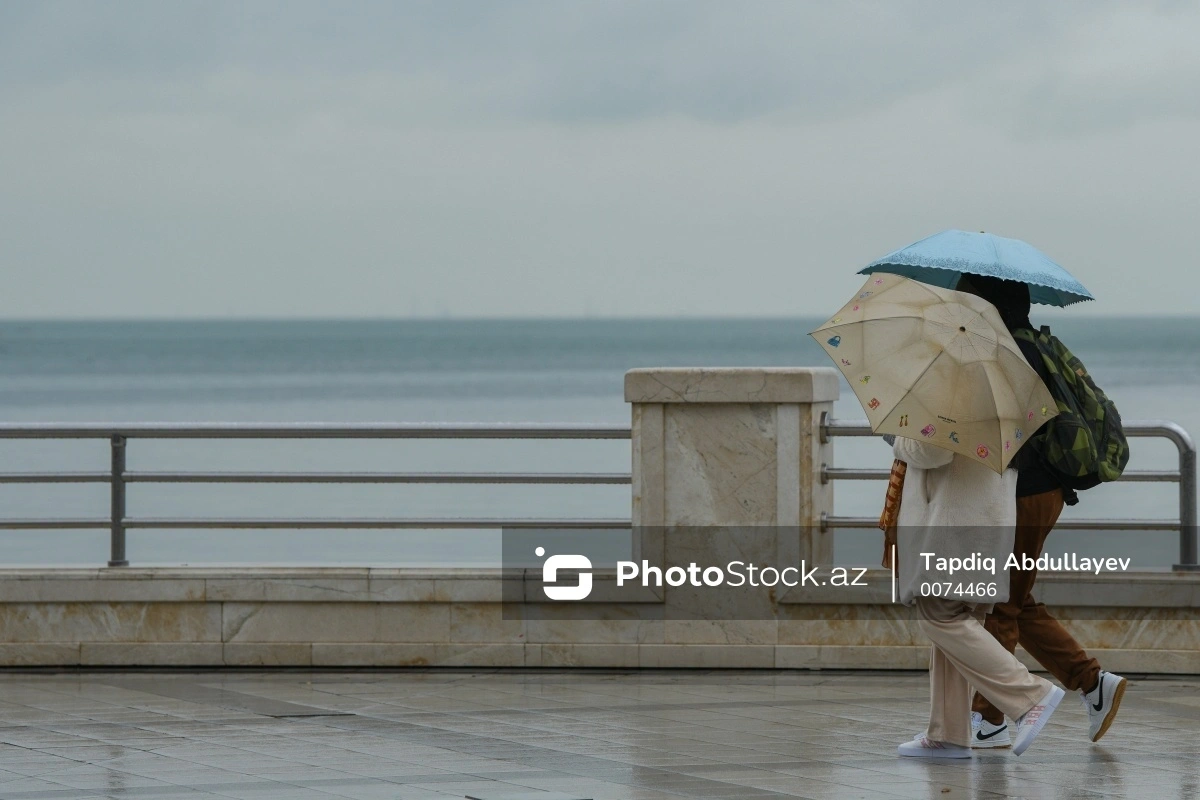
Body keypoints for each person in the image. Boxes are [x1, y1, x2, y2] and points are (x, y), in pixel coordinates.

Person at [955, 274, 1126, 747]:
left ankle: (988, 720)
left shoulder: (1008, 355)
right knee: (1016, 597)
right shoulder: (1032, 345)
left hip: (1022, 494)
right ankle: (1092, 683)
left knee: (1000, 605)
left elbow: (998, 433)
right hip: (1039, 492)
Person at [892, 431, 1063, 758]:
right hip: (986, 517)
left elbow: (931, 450)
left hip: (955, 523)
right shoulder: (1000, 390)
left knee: (938, 617)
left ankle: (1030, 696)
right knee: (956, 620)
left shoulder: (955, 388)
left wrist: (898, 438)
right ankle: (948, 734)